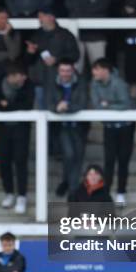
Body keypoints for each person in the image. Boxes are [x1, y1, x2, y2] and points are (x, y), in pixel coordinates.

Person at [90, 58, 135, 205]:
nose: (93, 72)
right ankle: (106, 194)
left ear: (105, 70)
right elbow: (97, 105)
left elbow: (126, 104)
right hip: (109, 127)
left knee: (123, 160)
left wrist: (107, 105)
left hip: (125, 128)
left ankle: (121, 192)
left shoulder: (119, 84)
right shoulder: (94, 84)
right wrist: (109, 105)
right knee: (108, 161)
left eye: (96, 69)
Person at [0, 63, 35, 214]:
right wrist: (12, 105)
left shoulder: (28, 85)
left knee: (20, 161)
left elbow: (28, 105)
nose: (23, 78)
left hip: (21, 129)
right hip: (2, 130)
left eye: (20, 75)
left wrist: (8, 104)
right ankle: (9, 193)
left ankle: (22, 196)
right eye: (10, 76)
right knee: (4, 162)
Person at [26, 7, 79, 110]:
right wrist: (30, 53)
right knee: (42, 114)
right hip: (39, 81)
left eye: (41, 16)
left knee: (58, 112)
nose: (39, 19)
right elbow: (28, 60)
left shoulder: (65, 35)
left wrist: (57, 60)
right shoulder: (35, 35)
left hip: (58, 83)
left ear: (51, 17)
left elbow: (75, 55)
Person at [49, 60, 88, 197]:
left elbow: (83, 103)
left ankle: (69, 184)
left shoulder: (81, 84)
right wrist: (56, 108)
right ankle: (72, 188)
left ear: (73, 71)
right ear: (58, 71)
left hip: (79, 127)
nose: (65, 74)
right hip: (62, 127)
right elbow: (49, 103)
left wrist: (66, 107)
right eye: (62, 71)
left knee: (78, 156)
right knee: (70, 155)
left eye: (68, 71)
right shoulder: (52, 83)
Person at [64, 0, 111, 73]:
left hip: (96, 35)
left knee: (99, 68)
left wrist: (82, 7)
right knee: (75, 68)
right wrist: (90, 4)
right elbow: (69, 5)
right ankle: (76, 91)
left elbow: (103, 6)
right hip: (76, 35)